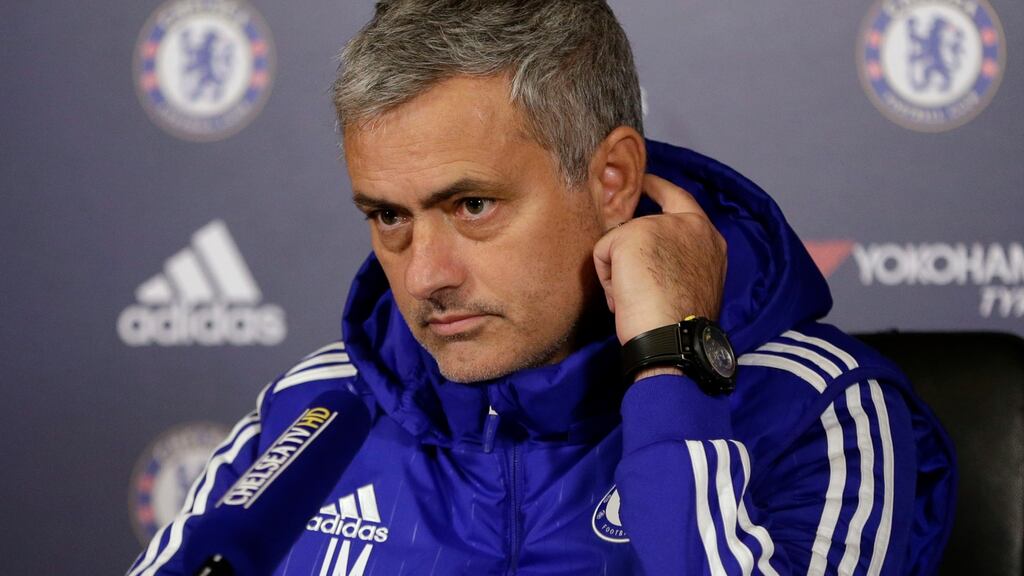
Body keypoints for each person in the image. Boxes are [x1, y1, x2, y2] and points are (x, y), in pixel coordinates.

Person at [128, 1, 956, 574]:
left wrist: (673, 371)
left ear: (611, 178)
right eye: (388, 216)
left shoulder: (818, 411)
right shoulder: (316, 408)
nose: (424, 276)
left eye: (473, 205)